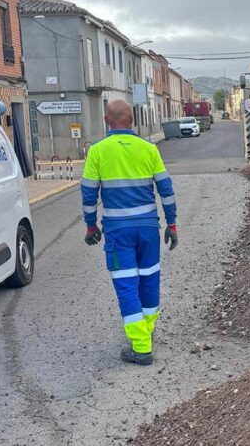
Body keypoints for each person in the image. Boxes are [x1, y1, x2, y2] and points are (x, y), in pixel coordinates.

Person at [81, 99, 178, 365]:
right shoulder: (149, 149)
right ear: (132, 120)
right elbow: (166, 190)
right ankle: (146, 329)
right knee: (149, 279)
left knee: (126, 283)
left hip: (118, 233)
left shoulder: (97, 151)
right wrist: (171, 224)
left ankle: (142, 347)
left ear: (106, 121)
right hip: (149, 230)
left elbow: (88, 194)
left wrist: (90, 225)